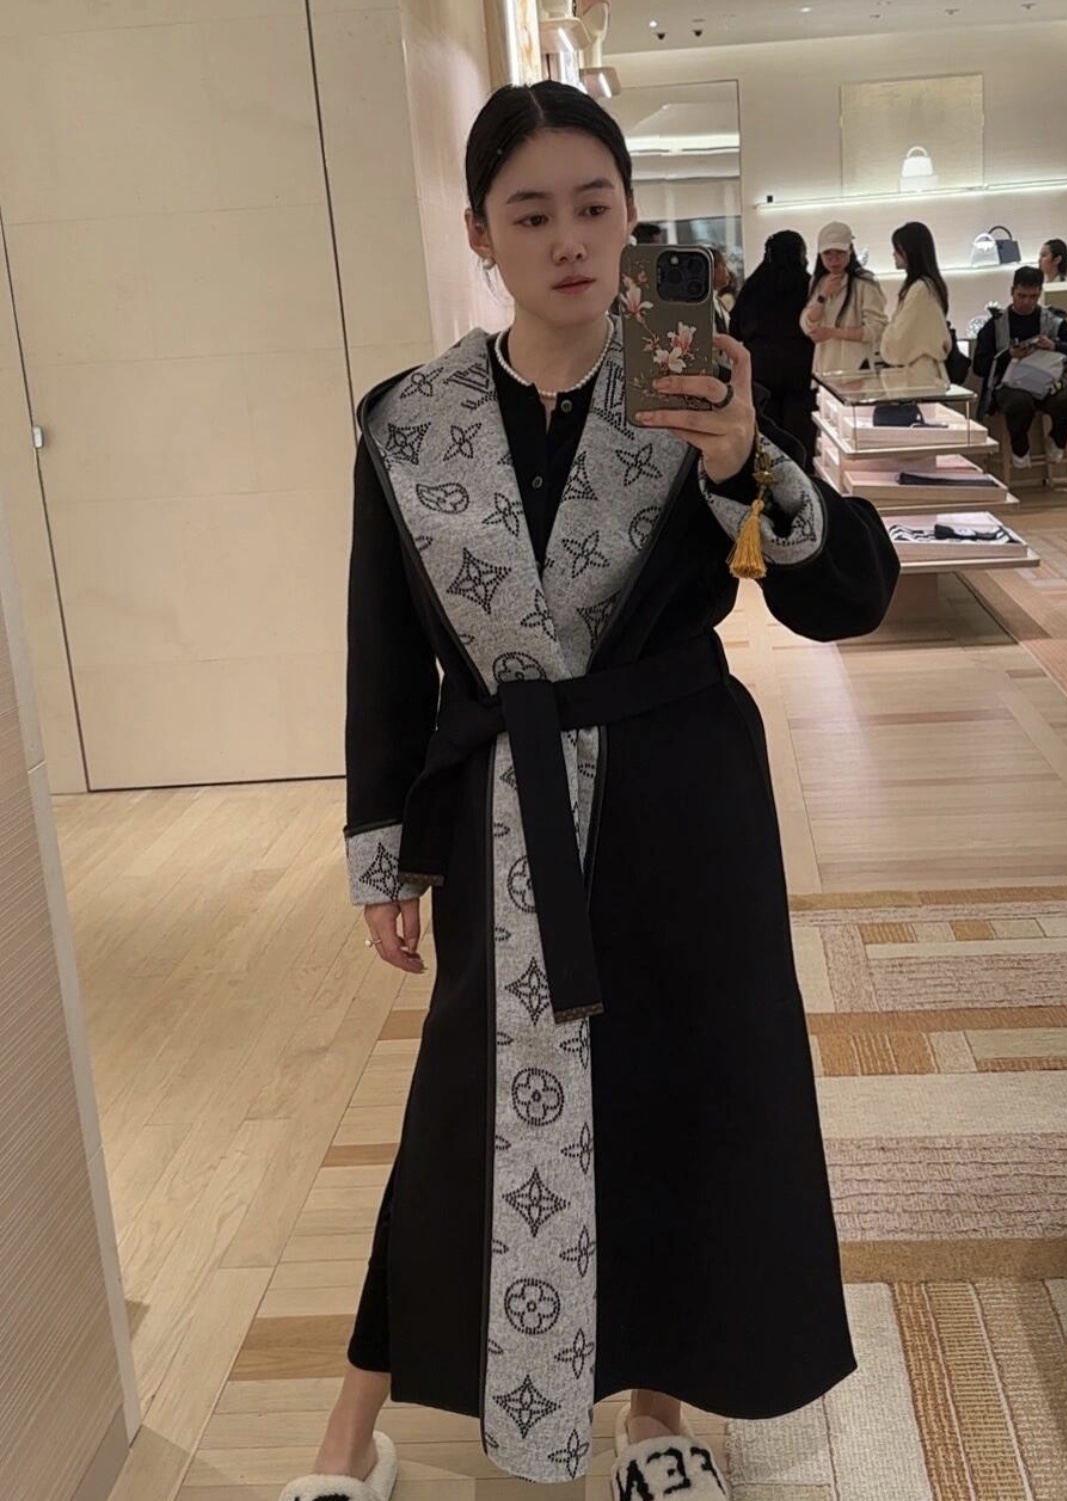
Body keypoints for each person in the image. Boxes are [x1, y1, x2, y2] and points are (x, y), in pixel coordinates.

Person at [280, 80, 900, 1501]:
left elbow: (846, 599)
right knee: (461, 1118)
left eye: (594, 206)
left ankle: (655, 1415)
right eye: (529, 213)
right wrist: (386, 849)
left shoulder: (694, 391)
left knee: (680, 1097)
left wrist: (742, 458)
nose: (567, 240)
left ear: (632, 220)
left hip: (681, 806)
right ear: (479, 234)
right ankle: (348, 1438)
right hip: (500, 809)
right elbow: (387, 650)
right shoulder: (410, 423)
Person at [973, 265, 1067, 468]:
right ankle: (1020, 447)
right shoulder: (996, 324)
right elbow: (979, 366)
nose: (1027, 301)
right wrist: (1008, 355)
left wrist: (1055, 346)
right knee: (1019, 403)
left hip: (1048, 382)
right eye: (1021, 296)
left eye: (1033, 296)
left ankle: (1057, 439)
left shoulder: (1052, 321)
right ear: (1012, 292)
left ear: (1040, 293)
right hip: (1010, 385)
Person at [730, 230, 817, 456]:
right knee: (801, 430)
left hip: (761, 367)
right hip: (801, 368)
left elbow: (735, 328)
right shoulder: (808, 285)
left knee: (768, 432)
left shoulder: (753, 286)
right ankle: (802, 472)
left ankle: (771, 473)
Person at [800, 221, 888, 375]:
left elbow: (876, 328)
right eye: (827, 254)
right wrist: (823, 295)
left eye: (840, 253)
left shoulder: (865, 282)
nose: (834, 260)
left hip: (858, 368)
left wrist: (832, 333)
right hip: (825, 369)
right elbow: (808, 325)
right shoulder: (819, 282)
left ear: (850, 250)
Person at [879, 221, 952, 383]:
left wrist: (887, 333)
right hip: (921, 374)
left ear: (909, 252)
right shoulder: (926, 286)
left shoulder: (921, 289)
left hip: (918, 377)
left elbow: (900, 341)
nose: (893, 254)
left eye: (897, 250)